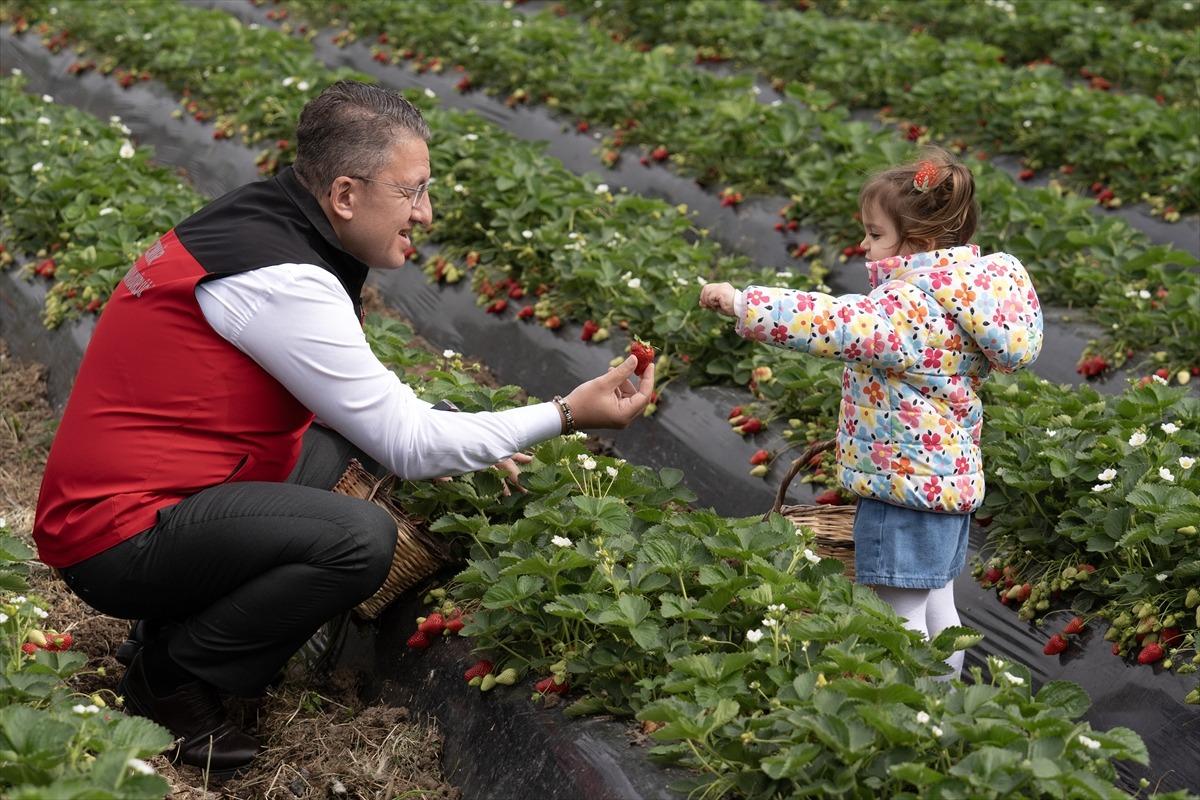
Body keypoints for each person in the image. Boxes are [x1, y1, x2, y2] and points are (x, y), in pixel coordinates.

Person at [32, 80, 655, 773]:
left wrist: (452, 428)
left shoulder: (265, 222)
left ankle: (176, 626)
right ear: (346, 196)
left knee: (330, 452)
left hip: (150, 493)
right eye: (412, 191)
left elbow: (353, 402)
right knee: (358, 539)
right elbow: (408, 445)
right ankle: (172, 679)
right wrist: (565, 415)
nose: (426, 212)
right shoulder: (282, 278)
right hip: (115, 536)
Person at [699, 147, 1042, 679]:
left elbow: (831, 319)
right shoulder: (970, 295)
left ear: (922, 243)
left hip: (902, 484)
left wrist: (745, 304)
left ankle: (906, 707)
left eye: (876, 233)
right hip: (949, 483)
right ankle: (945, 706)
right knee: (937, 607)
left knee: (895, 611)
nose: (864, 244)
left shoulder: (909, 305)